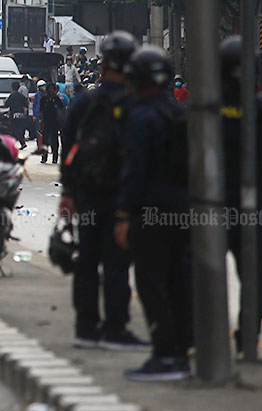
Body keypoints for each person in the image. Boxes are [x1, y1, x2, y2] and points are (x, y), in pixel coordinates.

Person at [58, 31, 146, 351]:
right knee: (117, 262)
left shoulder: (86, 101)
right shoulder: (136, 103)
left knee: (87, 260)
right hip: (121, 197)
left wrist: (68, 191)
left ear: (104, 62)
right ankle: (115, 328)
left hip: (88, 195)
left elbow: (68, 146)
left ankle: (85, 327)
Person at [114, 46, 191, 381]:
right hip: (183, 210)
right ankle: (181, 351)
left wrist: (122, 216)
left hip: (151, 212)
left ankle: (165, 355)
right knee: (179, 281)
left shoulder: (140, 118)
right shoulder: (178, 113)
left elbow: (134, 170)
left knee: (150, 283)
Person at [218, 35, 262, 356]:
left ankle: (204, 338)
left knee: (201, 272)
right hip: (255, 207)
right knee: (255, 277)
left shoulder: (206, 110)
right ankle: (248, 343)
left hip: (211, 207)